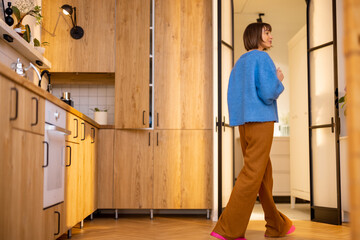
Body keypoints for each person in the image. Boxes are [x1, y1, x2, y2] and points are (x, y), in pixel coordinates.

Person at [210, 22, 295, 240]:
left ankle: (276, 225)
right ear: (256, 36)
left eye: (270, 32)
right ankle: (228, 229)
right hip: (261, 122)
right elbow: (268, 93)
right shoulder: (263, 58)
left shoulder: (239, 63)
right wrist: (278, 80)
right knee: (251, 175)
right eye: (267, 32)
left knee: (262, 173)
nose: (271, 36)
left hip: (243, 124)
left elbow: (233, 95)